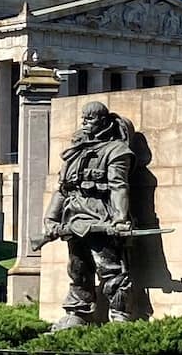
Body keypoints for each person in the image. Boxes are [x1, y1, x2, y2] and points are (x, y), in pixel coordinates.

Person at [39, 101, 135, 327]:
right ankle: (78, 312)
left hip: (100, 219)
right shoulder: (74, 152)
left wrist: (120, 219)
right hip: (72, 220)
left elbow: (119, 186)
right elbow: (63, 189)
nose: (84, 123)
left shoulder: (116, 150)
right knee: (77, 269)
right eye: (83, 118)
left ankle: (119, 315)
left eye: (90, 119)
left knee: (110, 269)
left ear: (103, 121)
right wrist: (51, 219)